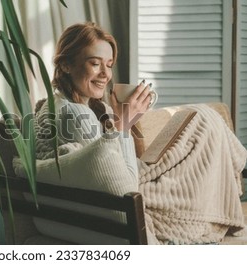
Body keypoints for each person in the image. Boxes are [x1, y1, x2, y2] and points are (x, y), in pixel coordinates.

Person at [33, 22, 247, 244]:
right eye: (95, 63)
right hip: (130, 197)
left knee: (199, 121)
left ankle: (236, 159)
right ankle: (238, 160)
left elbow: (106, 162)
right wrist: (123, 123)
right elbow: (124, 184)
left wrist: (119, 121)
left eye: (109, 64)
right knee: (201, 118)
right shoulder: (75, 114)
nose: (106, 75)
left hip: (119, 191)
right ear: (66, 65)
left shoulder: (65, 106)